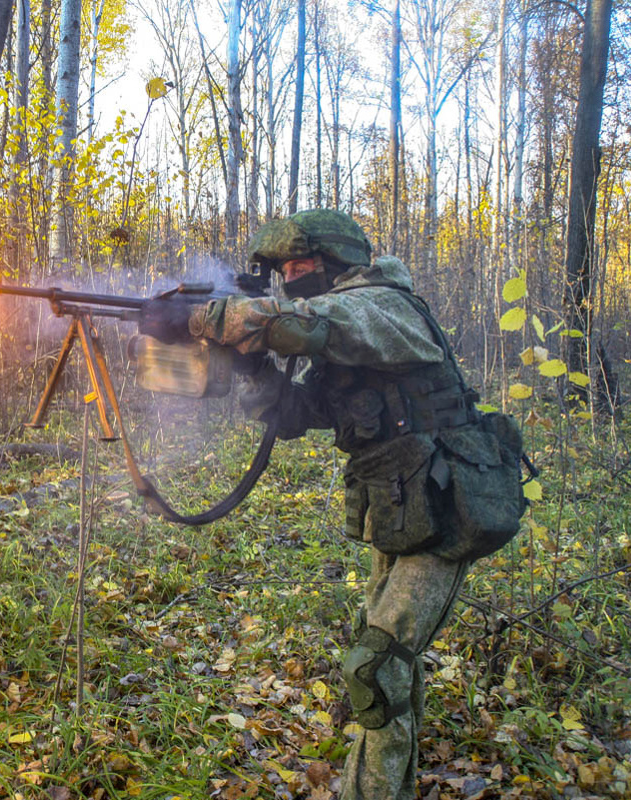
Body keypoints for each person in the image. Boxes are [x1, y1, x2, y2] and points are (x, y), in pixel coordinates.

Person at [139, 209, 493, 800]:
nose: (291, 275)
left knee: (375, 667)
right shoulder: (343, 335)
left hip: (452, 507)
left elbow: (306, 323)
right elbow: (296, 415)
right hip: (406, 508)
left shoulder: (381, 306)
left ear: (336, 260)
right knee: (391, 664)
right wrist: (250, 365)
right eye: (283, 268)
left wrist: (203, 319)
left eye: (301, 263)